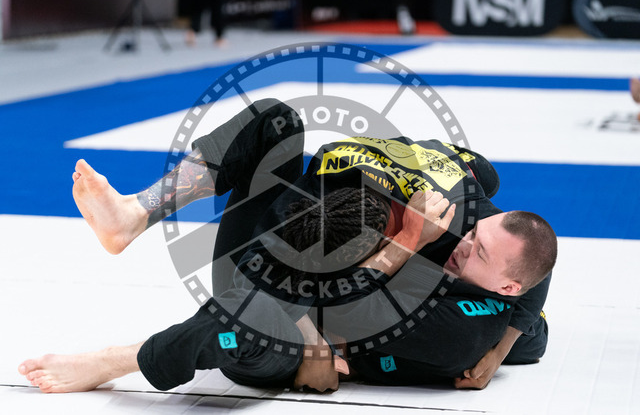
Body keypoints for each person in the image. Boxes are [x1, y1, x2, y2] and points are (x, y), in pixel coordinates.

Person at [18, 99, 556, 393]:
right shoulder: (471, 206)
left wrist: (504, 340)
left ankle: (115, 360)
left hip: (288, 308)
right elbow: (531, 248)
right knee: (275, 120)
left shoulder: (461, 312)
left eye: (479, 254)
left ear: (506, 287)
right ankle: (135, 213)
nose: (466, 246)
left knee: (250, 317)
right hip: (276, 237)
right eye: (476, 237)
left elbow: (533, 268)